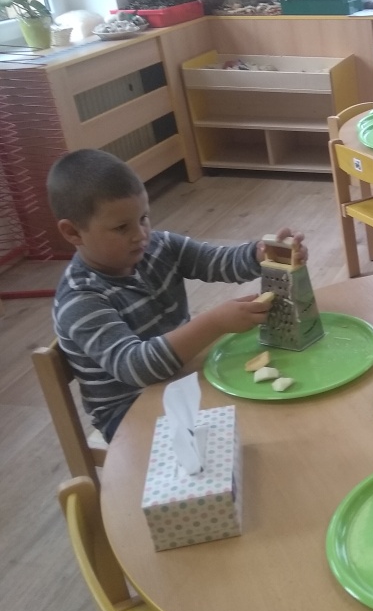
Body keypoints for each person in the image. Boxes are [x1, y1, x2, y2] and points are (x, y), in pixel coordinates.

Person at [47, 148, 307, 441]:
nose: (140, 235)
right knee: (246, 432)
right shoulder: (80, 299)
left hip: (181, 378)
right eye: (121, 227)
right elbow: (137, 367)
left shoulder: (158, 246)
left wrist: (261, 254)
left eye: (143, 218)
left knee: (269, 413)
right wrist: (215, 323)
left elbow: (216, 261)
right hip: (129, 413)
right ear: (73, 233)